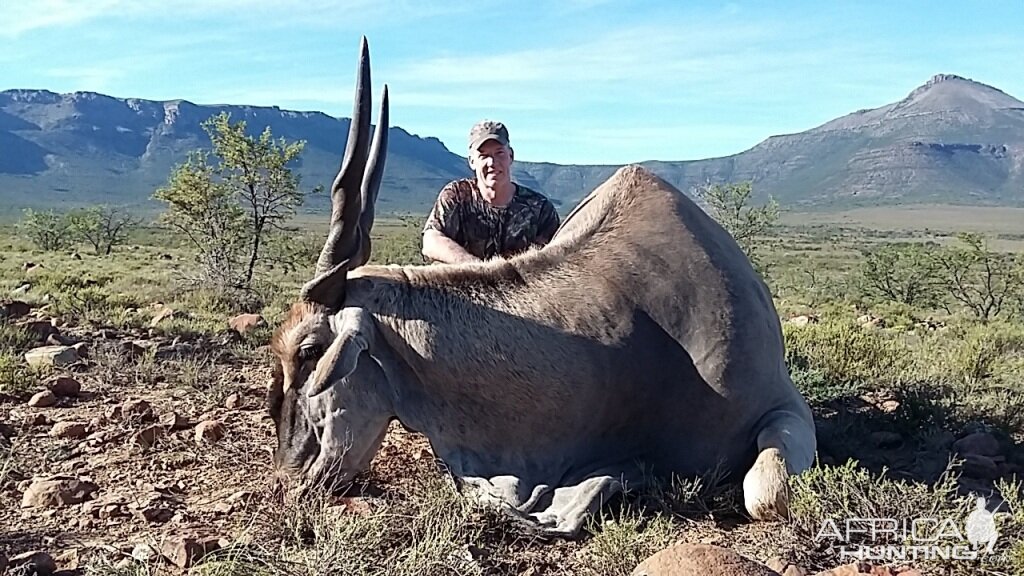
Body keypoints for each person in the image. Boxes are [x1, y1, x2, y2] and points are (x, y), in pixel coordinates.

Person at [421, 120, 561, 264]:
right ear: (472, 161)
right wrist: (475, 268)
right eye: (483, 156)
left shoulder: (540, 209)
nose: (492, 162)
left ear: (510, 156)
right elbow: (431, 241)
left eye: (499, 153)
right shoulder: (457, 196)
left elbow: (557, 257)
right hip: (465, 282)